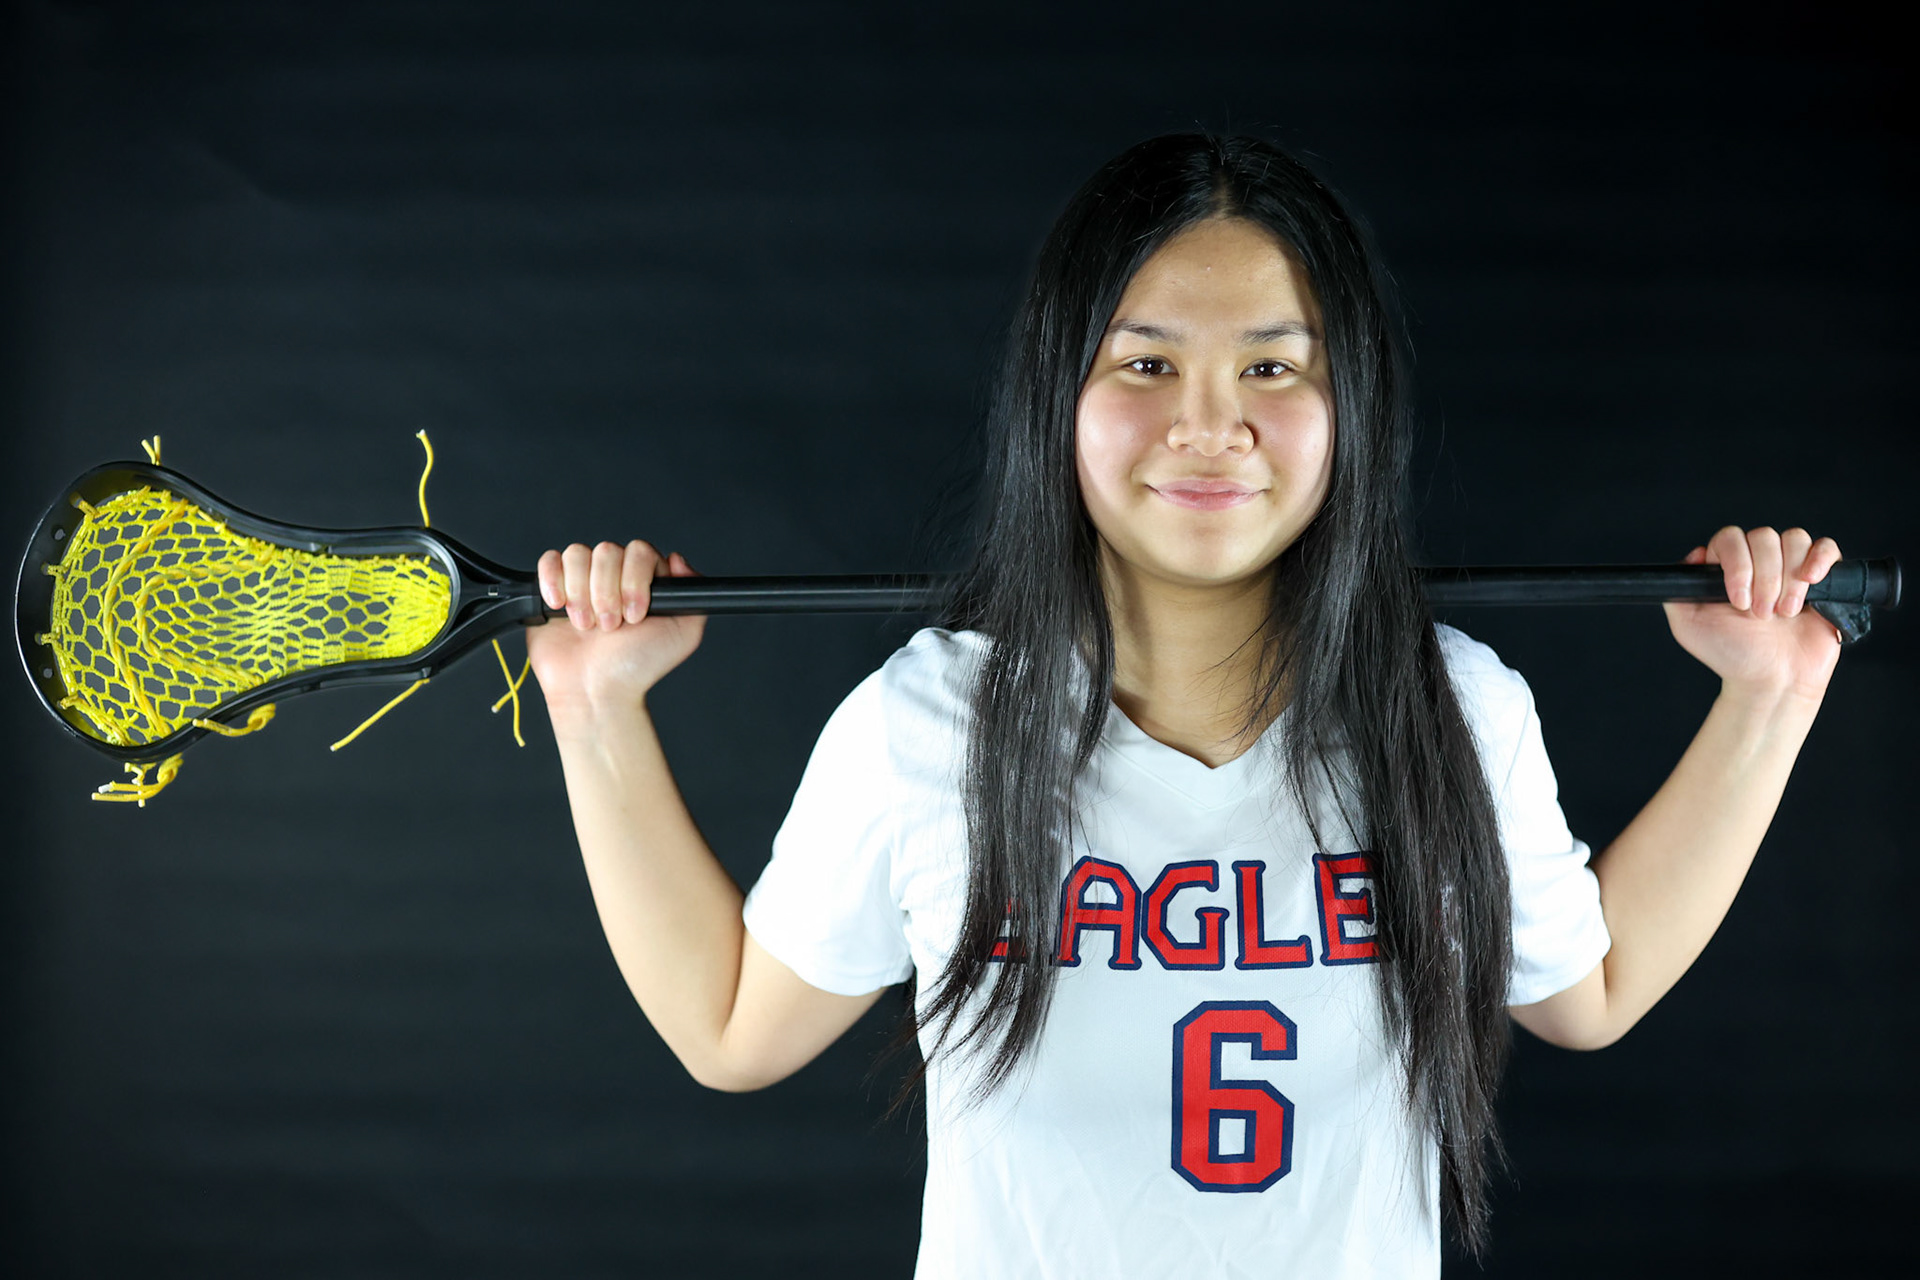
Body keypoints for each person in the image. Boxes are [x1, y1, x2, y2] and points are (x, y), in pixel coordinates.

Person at [523, 134, 1845, 1278]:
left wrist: (1767, 698)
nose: (1209, 426)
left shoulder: (1451, 709)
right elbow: (729, 1028)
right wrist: (595, 711)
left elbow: (1590, 991)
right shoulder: (926, 725)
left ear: (1351, 405)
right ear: (1057, 396)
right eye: (1146, 366)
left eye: (1274, 369)